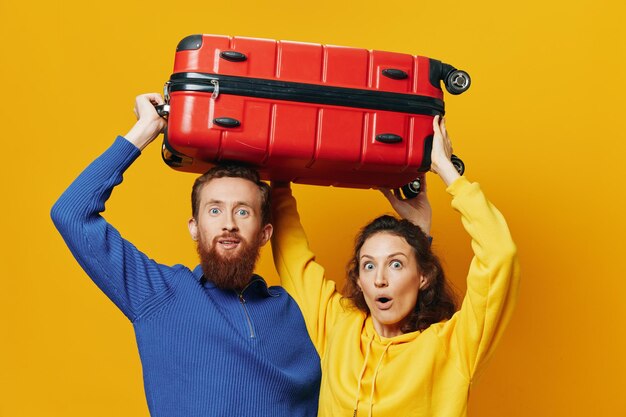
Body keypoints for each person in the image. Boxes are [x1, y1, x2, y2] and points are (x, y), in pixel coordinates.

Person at [50, 93, 321, 417]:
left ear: (265, 233)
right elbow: (71, 213)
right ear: (194, 227)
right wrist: (146, 128)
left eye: (243, 212)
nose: (229, 225)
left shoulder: (296, 309)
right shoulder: (159, 293)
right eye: (215, 210)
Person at [271, 115, 520, 417]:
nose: (380, 280)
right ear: (359, 279)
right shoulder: (340, 327)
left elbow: (499, 255)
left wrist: (446, 171)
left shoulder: (451, 347)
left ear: (424, 277)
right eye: (369, 266)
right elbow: (293, 256)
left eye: (396, 265)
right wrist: (279, 171)